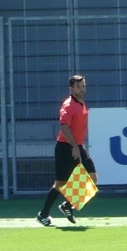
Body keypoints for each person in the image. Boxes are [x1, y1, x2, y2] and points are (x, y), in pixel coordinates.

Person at [37, 74, 94, 226]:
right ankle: (43, 214)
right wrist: (74, 146)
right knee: (60, 184)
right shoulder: (68, 105)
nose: (82, 89)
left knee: (92, 178)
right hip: (65, 147)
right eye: (79, 86)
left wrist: (79, 146)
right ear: (72, 88)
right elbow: (64, 126)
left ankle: (67, 205)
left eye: (83, 85)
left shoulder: (81, 103)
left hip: (77, 146)